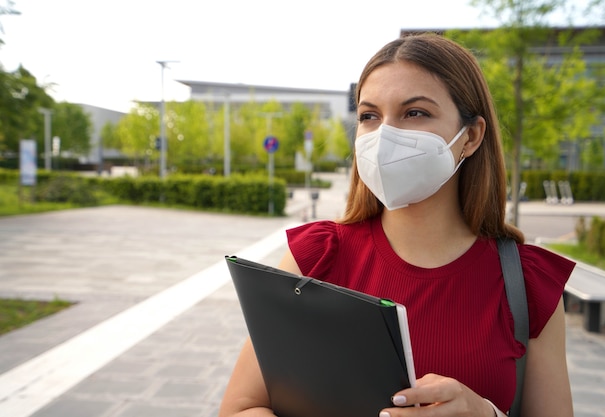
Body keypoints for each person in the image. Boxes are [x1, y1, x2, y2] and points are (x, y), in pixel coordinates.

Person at [219, 33, 575, 417]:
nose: (385, 134)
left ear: (471, 136)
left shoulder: (529, 285)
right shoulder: (316, 257)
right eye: (369, 116)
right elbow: (241, 408)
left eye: (415, 112)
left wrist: (486, 414)